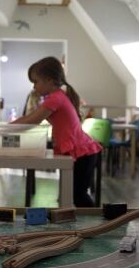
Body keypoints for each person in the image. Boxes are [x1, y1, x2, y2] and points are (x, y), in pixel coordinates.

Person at [11, 56, 102, 207]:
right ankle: (90, 225)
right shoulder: (58, 96)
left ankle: (98, 226)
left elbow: (32, 120)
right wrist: (8, 126)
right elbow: (30, 118)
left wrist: (4, 129)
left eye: (36, 82)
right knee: (75, 195)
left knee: (79, 196)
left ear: (49, 80)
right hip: (81, 151)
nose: (34, 87)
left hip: (82, 152)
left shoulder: (55, 99)